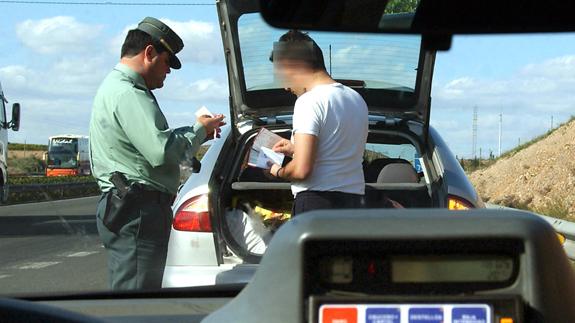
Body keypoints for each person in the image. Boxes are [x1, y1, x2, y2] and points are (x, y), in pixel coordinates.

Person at [89, 17, 225, 290]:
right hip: (138, 208)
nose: (169, 72)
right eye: (166, 62)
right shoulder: (129, 93)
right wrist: (199, 129)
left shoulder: (118, 88)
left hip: (131, 206)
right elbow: (160, 150)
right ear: (149, 53)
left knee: (135, 291)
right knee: (136, 301)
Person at [268, 30, 369, 216]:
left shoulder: (309, 101)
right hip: (354, 205)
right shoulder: (356, 99)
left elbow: (301, 170)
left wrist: (277, 171)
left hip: (317, 205)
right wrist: (295, 149)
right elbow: (336, 151)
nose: (285, 86)